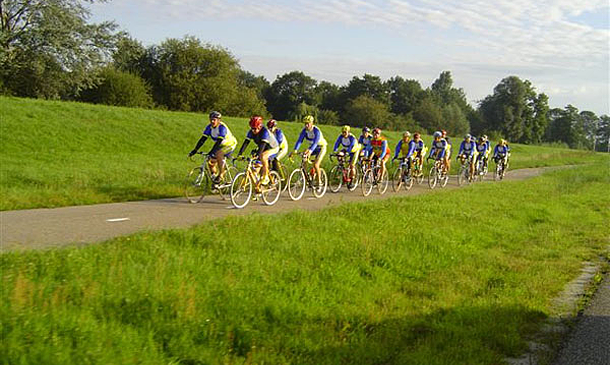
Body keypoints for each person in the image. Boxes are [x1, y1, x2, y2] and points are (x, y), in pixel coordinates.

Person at [188, 111, 237, 183]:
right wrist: (195, 150)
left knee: (219, 154)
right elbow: (203, 139)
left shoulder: (222, 128)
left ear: (219, 120)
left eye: (214, 119)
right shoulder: (209, 128)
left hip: (230, 144)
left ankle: (221, 175)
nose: (212, 121)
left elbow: (218, 141)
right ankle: (215, 179)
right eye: (211, 119)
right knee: (211, 162)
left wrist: (211, 152)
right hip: (221, 145)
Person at [236, 116, 279, 185]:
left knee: (263, 156)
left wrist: (257, 157)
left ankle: (266, 176)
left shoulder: (264, 132)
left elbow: (262, 146)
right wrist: (240, 153)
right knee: (255, 167)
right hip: (263, 147)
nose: (253, 131)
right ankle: (258, 187)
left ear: (260, 126)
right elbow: (246, 142)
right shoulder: (251, 132)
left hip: (272, 147)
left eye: (255, 129)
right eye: (252, 128)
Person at [290, 115, 328, 185]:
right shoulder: (304, 131)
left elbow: (316, 142)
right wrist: (295, 150)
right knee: (304, 158)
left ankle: (319, 181)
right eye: (305, 124)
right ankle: (306, 177)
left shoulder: (316, 131)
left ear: (312, 123)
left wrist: (310, 151)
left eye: (308, 123)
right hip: (313, 148)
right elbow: (299, 141)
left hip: (321, 147)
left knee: (316, 164)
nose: (306, 125)